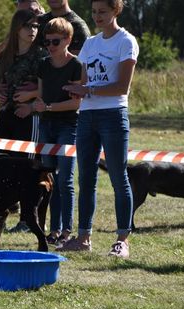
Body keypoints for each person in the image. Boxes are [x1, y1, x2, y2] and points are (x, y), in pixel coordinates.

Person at [60, 0, 139, 258]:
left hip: (114, 115)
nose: (97, 17)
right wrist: (74, 89)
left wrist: (88, 90)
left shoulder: (126, 42)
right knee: (86, 179)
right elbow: (83, 81)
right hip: (87, 117)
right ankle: (84, 237)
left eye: (102, 12)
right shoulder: (91, 43)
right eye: (94, 12)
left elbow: (122, 87)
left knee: (118, 177)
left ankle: (122, 240)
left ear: (116, 10)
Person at [0, 9, 48, 233]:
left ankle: (27, 219)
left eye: (35, 26)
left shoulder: (42, 55)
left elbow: (49, 89)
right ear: (17, 28)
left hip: (29, 117)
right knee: (1, 163)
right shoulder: (6, 54)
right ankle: (1, 215)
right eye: (28, 26)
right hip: (6, 115)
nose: (32, 30)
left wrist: (31, 97)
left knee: (28, 167)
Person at [33, 17, 82, 246]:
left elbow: (76, 104)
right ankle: (52, 229)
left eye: (55, 41)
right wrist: (39, 106)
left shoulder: (76, 66)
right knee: (48, 179)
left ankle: (66, 230)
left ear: (68, 40)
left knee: (66, 180)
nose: (50, 46)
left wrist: (48, 107)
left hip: (68, 125)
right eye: (47, 42)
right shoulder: (43, 64)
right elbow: (41, 96)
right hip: (46, 124)